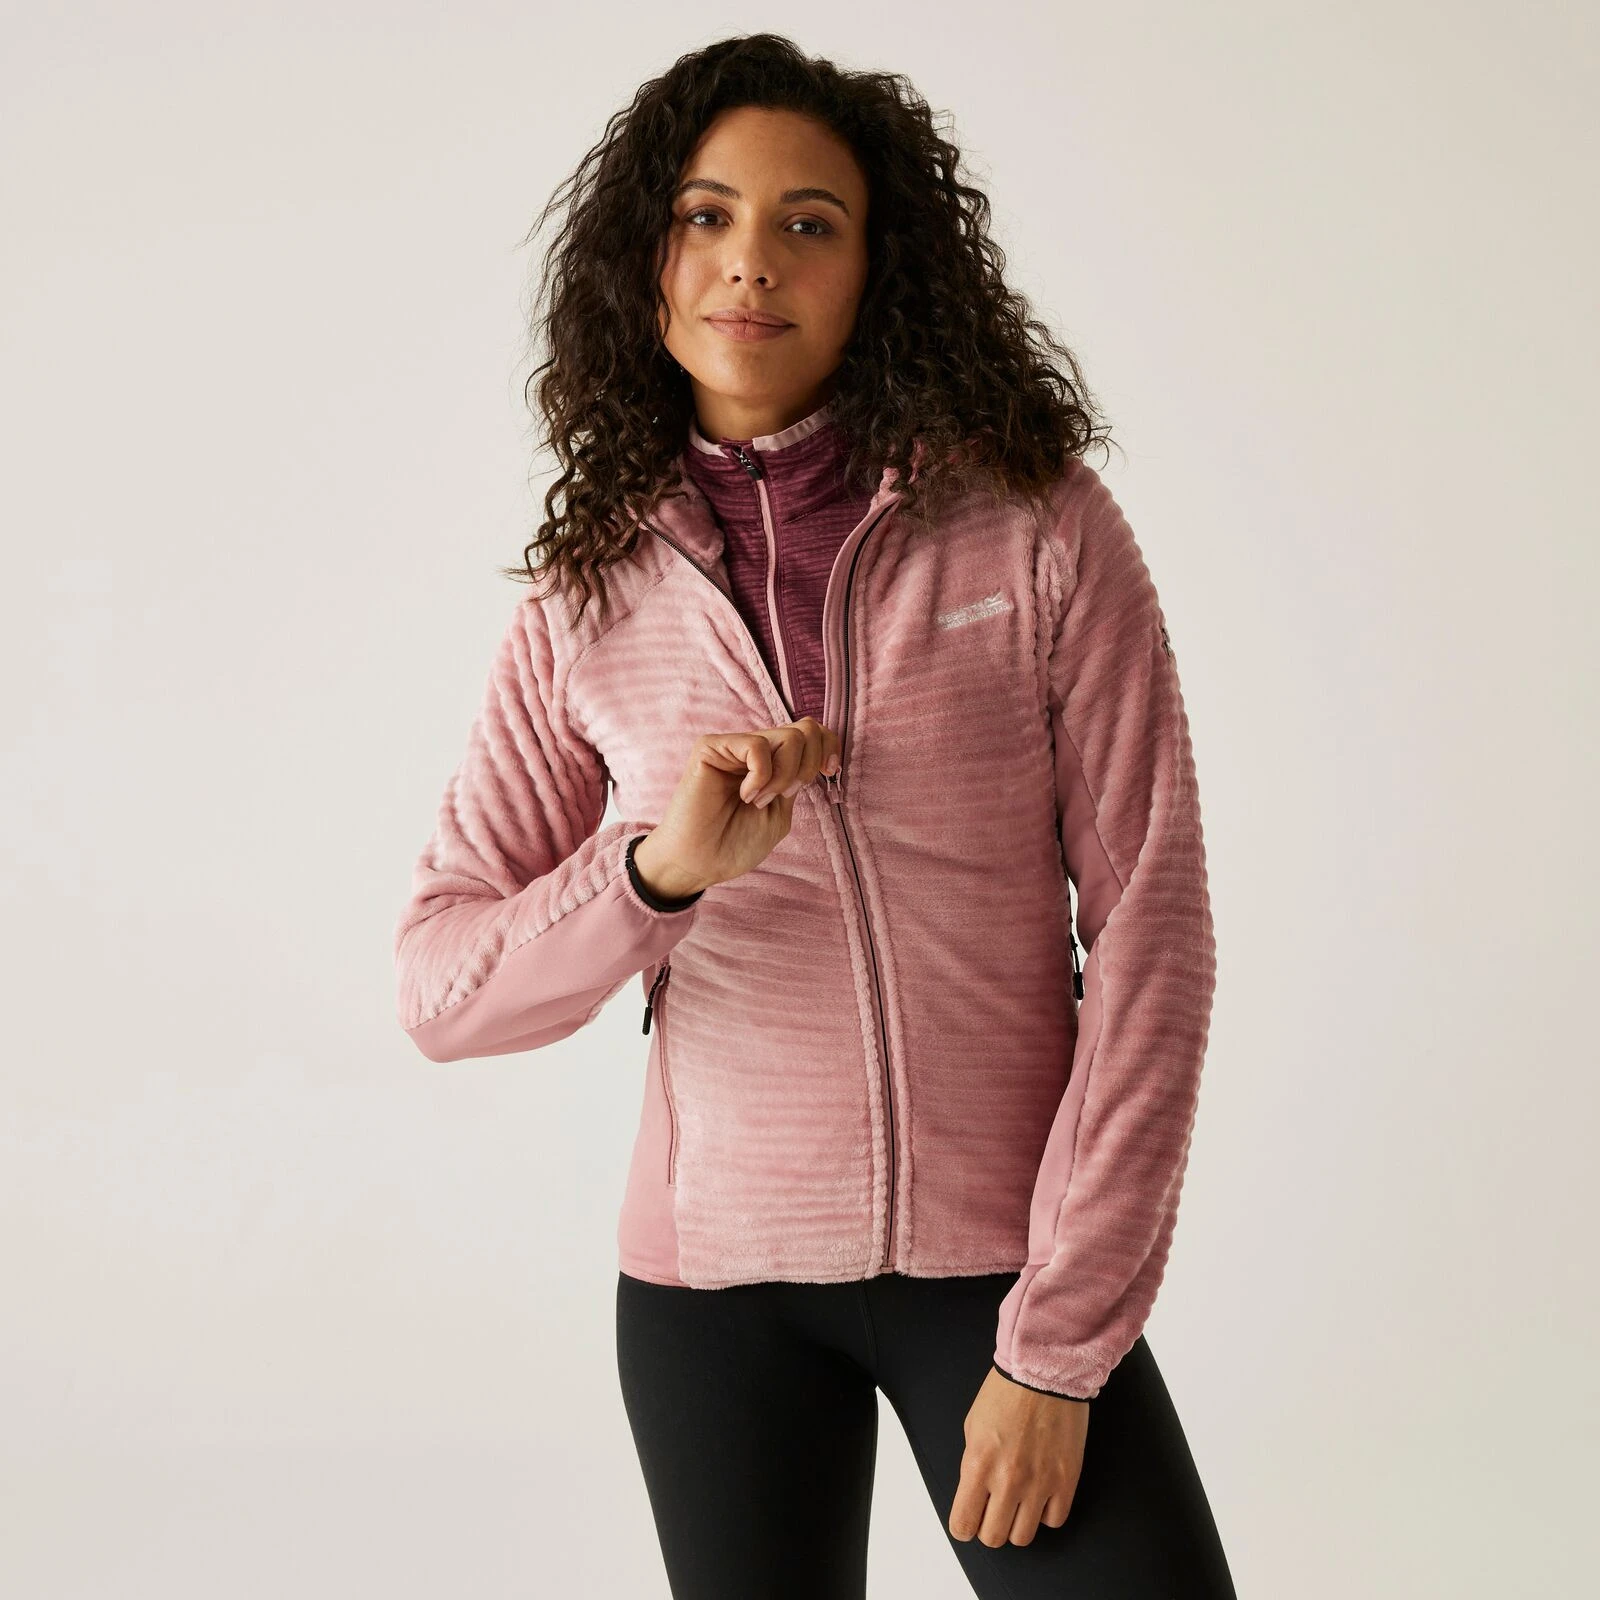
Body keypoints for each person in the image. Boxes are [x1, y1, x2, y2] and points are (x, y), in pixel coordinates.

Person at [394, 32, 1235, 1600]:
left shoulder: (1036, 524)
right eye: (705, 216)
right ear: (645, 260)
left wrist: (1057, 1349)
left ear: (878, 270)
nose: (750, 262)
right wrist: (654, 875)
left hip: (1007, 1273)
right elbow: (442, 988)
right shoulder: (587, 594)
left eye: (808, 223)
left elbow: (1151, 931)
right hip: (711, 1304)